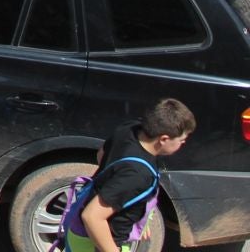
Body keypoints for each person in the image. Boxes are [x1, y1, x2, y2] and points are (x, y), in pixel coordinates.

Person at [62, 99, 195, 252]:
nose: (183, 144)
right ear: (163, 139)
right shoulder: (138, 176)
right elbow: (92, 216)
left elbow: (101, 155)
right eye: (182, 140)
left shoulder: (130, 129)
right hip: (92, 243)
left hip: (78, 228)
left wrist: (139, 215)